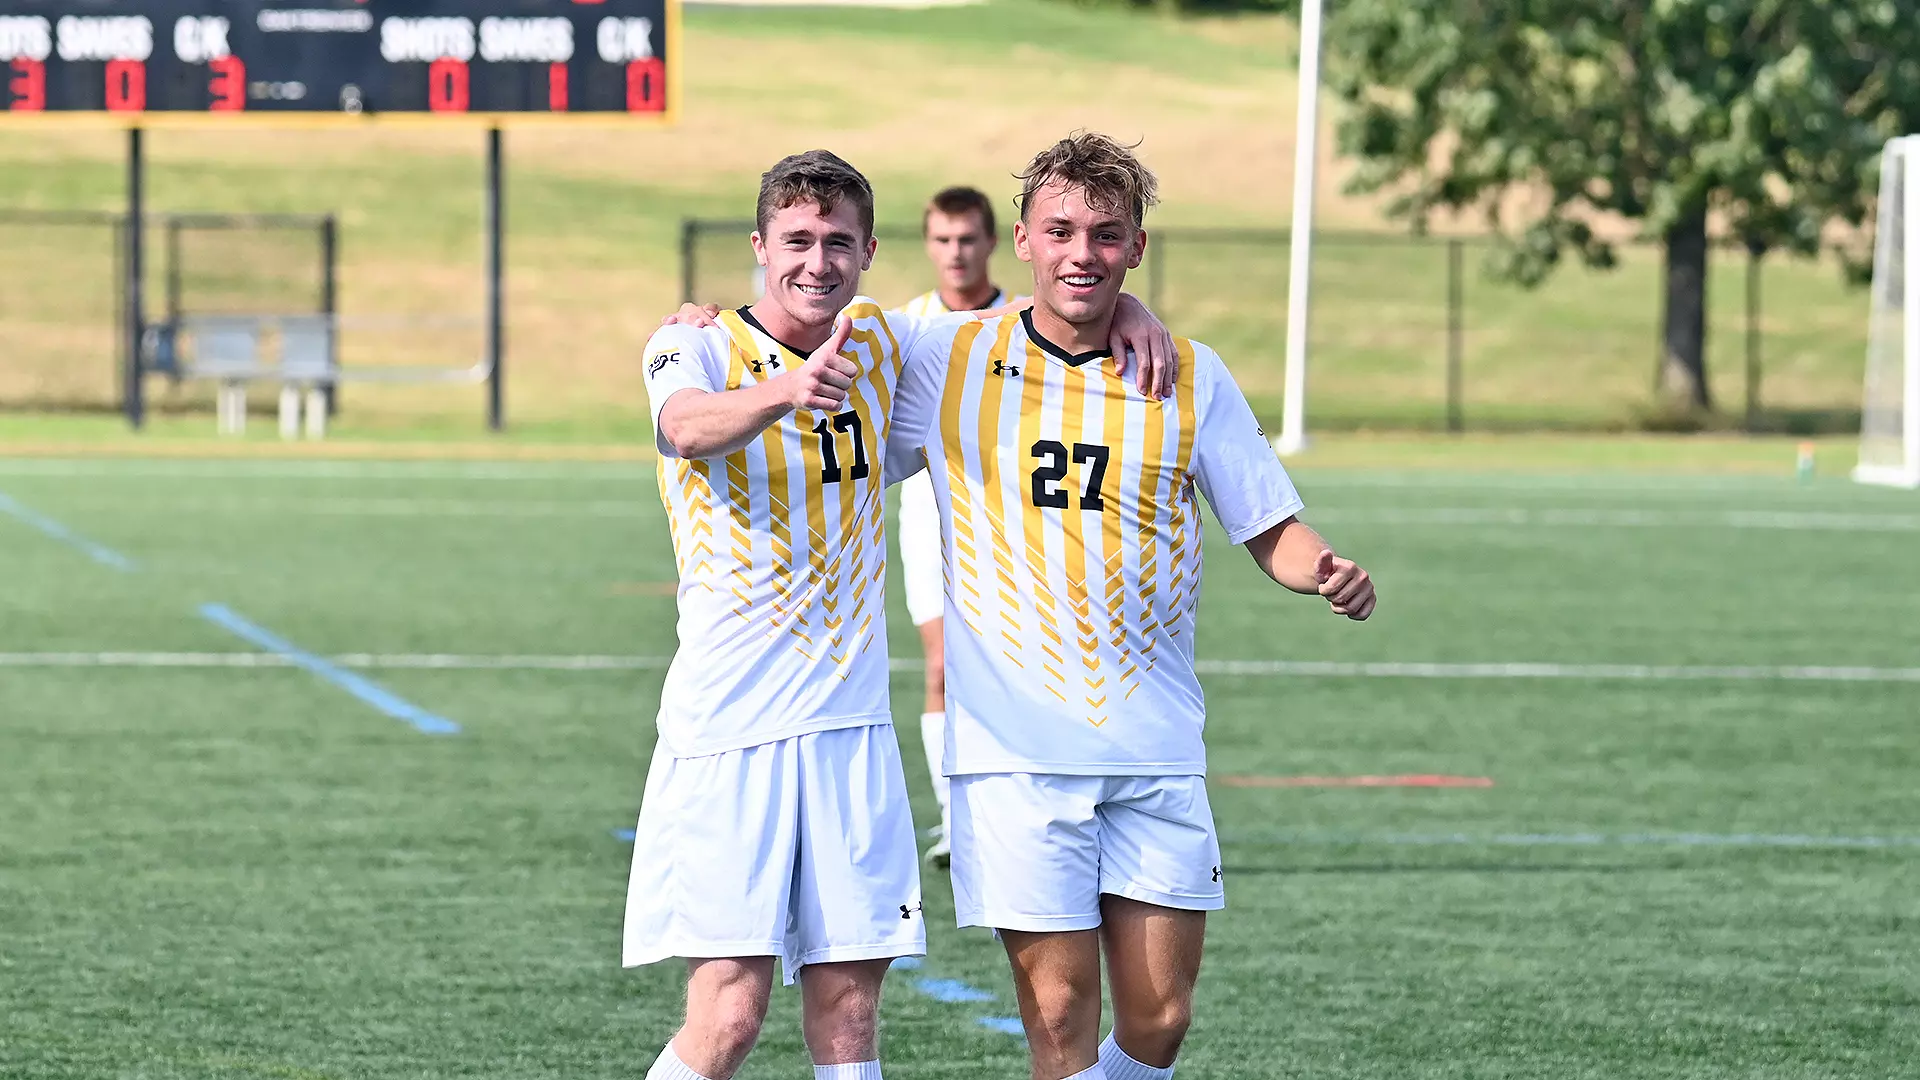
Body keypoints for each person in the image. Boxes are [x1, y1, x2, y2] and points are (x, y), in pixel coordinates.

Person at [629, 148, 1175, 1080]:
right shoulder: (699, 345)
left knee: (849, 1015)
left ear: (870, 251)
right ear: (759, 245)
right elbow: (683, 425)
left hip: (851, 730)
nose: (816, 262)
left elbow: (1035, 322)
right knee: (730, 1010)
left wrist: (1128, 304)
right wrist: (783, 391)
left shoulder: (886, 342)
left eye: (838, 242)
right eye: (796, 240)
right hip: (730, 731)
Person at [881, 133, 1377, 1080]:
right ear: (1019, 240)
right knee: (1061, 1019)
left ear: (1135, 249)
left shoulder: (1188, 373)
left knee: (1160, 1019)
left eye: (1106, 236)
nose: (1082, 252)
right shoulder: (942, 358)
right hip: (1016, 756)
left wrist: (1325, 571)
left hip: (1152, 744)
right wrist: (702, 326)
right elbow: (809, 331)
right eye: (1060, 229)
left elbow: (1269, 526)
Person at [893, 186, 1016, 867]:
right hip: (930, 524)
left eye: (967, 239)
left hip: (1012, 523)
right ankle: (954, 821)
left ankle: (1015, 810)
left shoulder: (1025, 320)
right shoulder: (907, 324)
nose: (956, 253)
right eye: (942, 240)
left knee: (1013, 669)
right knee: (940, 667)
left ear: (992, 242)